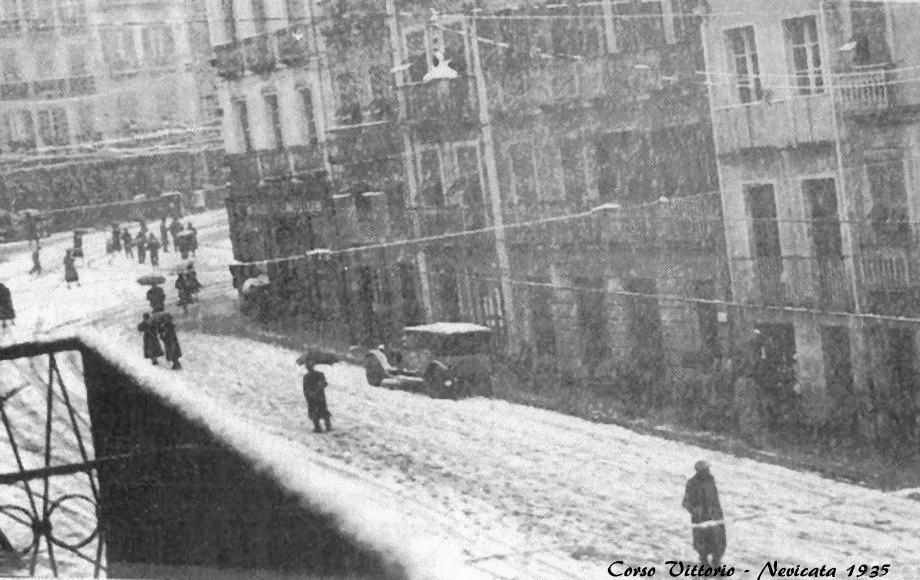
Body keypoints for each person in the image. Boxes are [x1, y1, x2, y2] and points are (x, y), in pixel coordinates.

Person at [682, 460, 726, 569]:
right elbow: (686, 502)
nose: (708, 471)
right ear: (699, 471)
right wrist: (695, 510)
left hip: (714, 516)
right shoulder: (692, 483)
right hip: (700, 518)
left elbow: (715, 498)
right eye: (706, 470)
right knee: (702, 542)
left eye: (708, 469)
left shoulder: (711, 480)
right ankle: (704, 563)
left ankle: (716, 562)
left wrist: (717, 512)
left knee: (719, 540)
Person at [303, 365, 332, 432]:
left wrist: (308, 396)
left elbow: (305, 389)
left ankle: (318, 427)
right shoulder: (320, 374)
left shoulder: (307, 376)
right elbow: (324, 384)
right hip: (318, 396)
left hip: (313, 397)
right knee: (322, 411)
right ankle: (325, 426)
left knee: (317, 411)